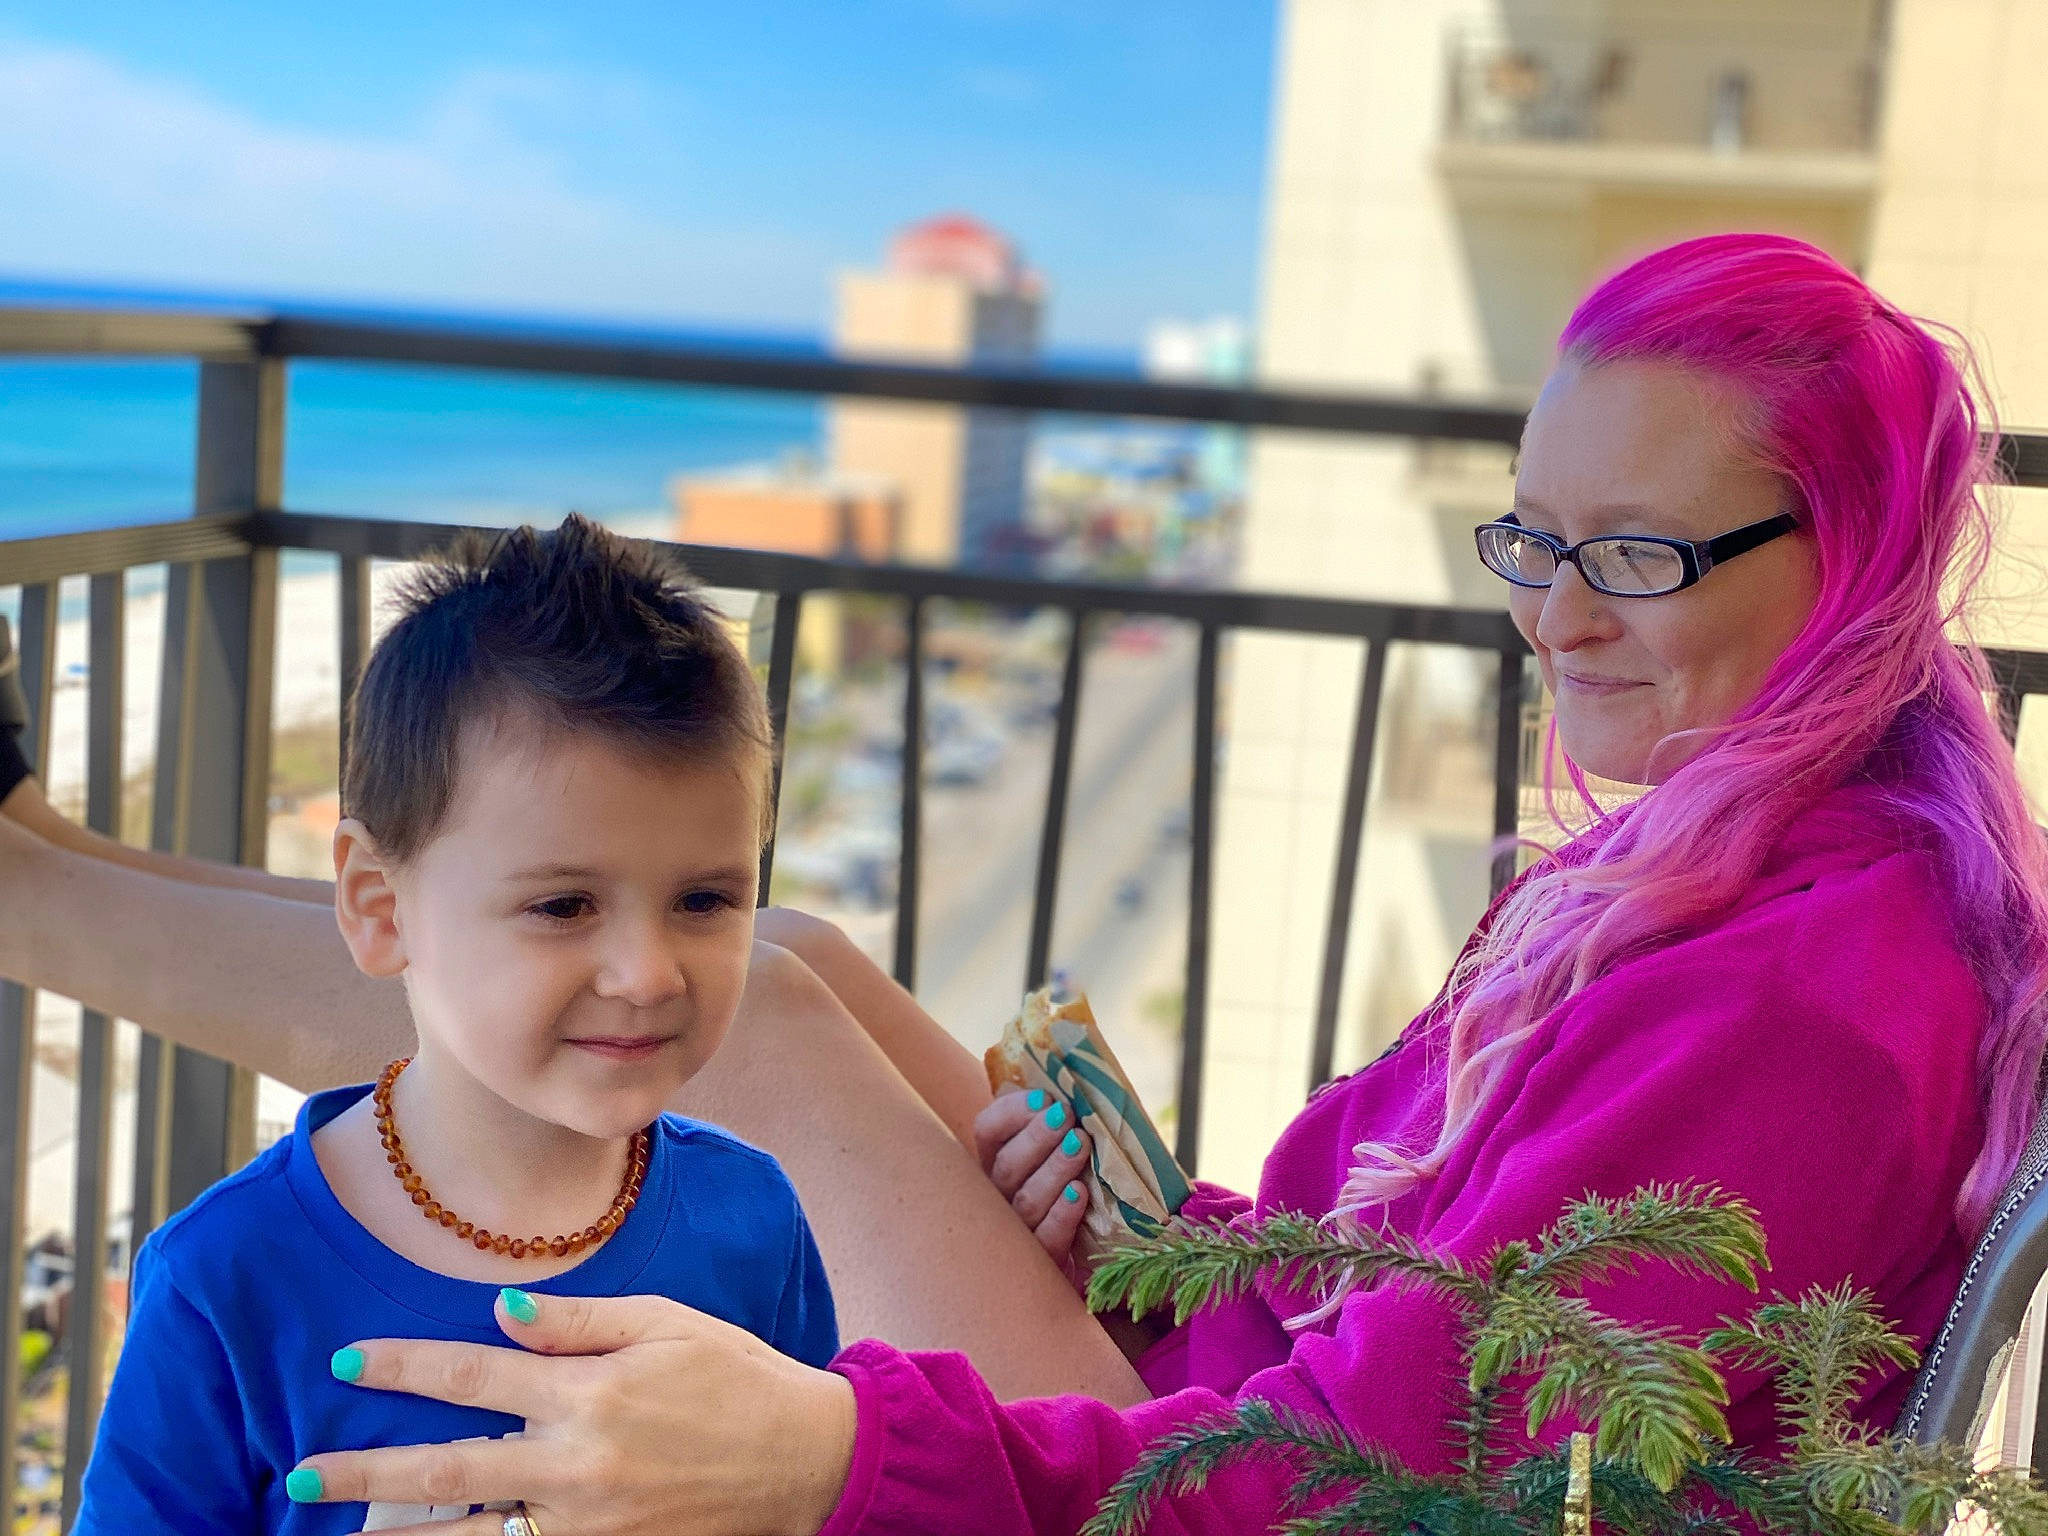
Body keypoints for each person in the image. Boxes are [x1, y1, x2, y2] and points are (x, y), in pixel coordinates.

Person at [0, 232, 2042, 1536]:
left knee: (755, 1018)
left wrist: (832, 1460)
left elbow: (1387, 1495)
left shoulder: (1798, 996)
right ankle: (47, 869)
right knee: (780, 948)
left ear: (1843, 554)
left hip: (1200, 1491)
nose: (1556, 619)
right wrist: (1159, 1229)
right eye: (1531, 540)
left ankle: (36, 909)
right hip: (1227, 1403)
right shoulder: (1736, 870)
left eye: (1635, 556)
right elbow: (1404, 1311)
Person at [65, 517, 840, 1534]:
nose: (649, 975)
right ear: (382, 908)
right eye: (563, 905)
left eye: (704, 901)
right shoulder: (230, 1280)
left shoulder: (752, 1222)